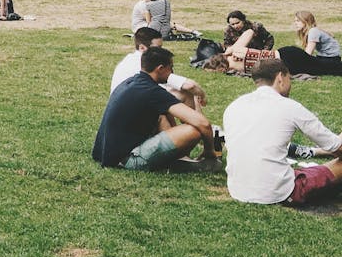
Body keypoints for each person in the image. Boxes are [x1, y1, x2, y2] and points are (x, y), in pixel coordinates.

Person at [223, 58, 342, 205]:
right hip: (277, 193)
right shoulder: (290, 107)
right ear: (280, 78)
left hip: (237, 189)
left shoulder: (234, 106)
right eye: (289, 78)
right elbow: (338, 148)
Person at [93, 47, 221, 171]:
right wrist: (209, 150)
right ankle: (179, 161)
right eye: (171, 68)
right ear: (160, 69)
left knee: (162, 114)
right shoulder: (152, 92)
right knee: (194, 130)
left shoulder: (132, 82)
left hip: (106, 154)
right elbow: (203, 123)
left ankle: (180, 158)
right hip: (127, 160)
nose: (172, 72)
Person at [111, 28, 206, 110]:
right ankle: (198, 127)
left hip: (121, 105)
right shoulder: (147, 63)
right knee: (185, 94)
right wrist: (202, 96)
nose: (161, 51)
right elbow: (189, 86)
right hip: (131, 106)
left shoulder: (130, 59)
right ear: (142, 48)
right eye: (158, 48)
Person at [275, 11, 342, 76]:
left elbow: (308, 54)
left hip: (331, 60)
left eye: (298, 21)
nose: (295, 23)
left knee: (292, 51)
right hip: (324, 58)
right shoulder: (312, 31)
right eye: (295, 21)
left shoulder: (313, 31)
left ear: (305, 21)